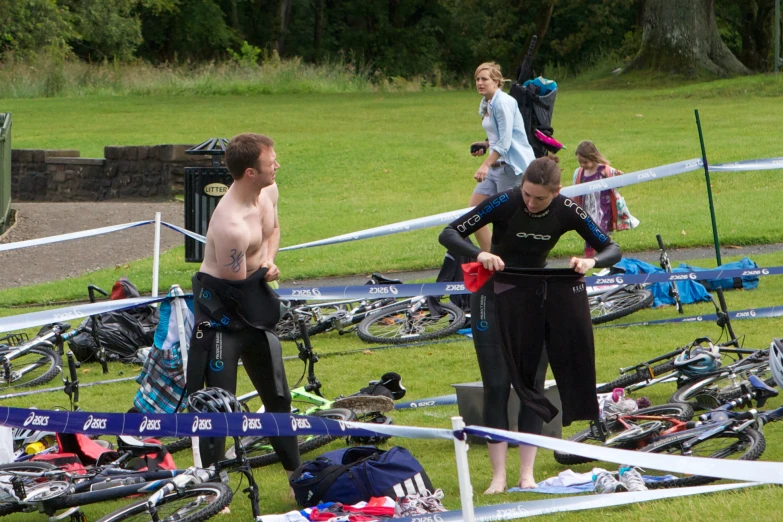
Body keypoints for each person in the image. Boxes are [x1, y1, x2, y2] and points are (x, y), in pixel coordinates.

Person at [439, 156, 621, 493]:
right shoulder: (506, 201)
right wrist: (480, 254)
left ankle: (526, 474)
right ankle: (498, 477)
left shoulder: (567, 210)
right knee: (496, 385)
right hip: (492, 295)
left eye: (539, 198)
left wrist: (590, 261)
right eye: (527, 194)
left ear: (557, 192)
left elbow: (612, 247)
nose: (530, 203)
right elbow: (449, 233)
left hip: (536, 298)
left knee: (532, 387)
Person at [185, 133, 300, 478]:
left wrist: (269, 261)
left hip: (253, 302)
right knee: (219, 406)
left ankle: (297, 475)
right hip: (223, 311)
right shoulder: (231, 225)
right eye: (270, 162)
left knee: (278, 397)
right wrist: (264, 270)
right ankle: (212, 482)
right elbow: (235, 284)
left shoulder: (269, 192)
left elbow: (274, 230)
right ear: (251, 172)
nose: (277, 165)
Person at [469, 62, 536, 252]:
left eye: (484, 79)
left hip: (510, 168)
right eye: (477, 79)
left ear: (496, 81)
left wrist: (485, 165)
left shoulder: (503, 102)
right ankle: (492, 259)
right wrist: (486, 144)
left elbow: (506, 143)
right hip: (495, 165)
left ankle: (516, 263)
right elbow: (499, 136)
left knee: (508, 221)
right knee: (474, 214)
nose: (480, 83)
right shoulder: (487, 102)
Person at [572, 140, 639, 257]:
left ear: (593, 157)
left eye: (585, 162)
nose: (582, 165)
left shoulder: (604, 170)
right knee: (588, 233)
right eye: (580, 162)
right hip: (587, 210)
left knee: (601, 233)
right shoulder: (579, 173)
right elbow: (575, 190)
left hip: (603, 210)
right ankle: (590, 258)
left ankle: (605, 257)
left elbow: (618, 184)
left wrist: (619, 177)